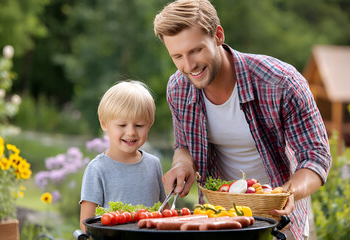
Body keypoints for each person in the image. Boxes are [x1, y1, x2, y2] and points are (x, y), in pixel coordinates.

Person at [153, 0, 331, 239]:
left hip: (281, 216)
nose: (189, 65)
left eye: (196, 50)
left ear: (218, 35)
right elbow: (183, 145)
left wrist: (288, 192)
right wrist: (181, 165)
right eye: (177, 56)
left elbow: (316, 158)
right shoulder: (178, 88)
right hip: (221, 217)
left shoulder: (281, 82)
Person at [79, 80, 166, 232]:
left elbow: (164, 212)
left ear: (150, 124)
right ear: (104, 123)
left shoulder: (154, 164)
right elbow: (86, 225)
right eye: (122, 125)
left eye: (139, 125)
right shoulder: (97, 169)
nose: (131, 132)